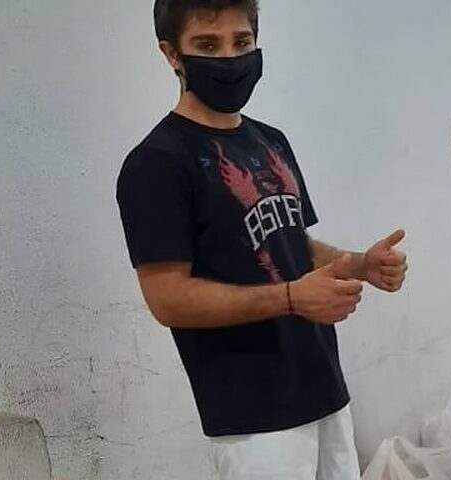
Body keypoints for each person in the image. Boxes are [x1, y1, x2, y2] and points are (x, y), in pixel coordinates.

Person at [115, 1, 408, 478]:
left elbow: (290, 243)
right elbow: (167, 298)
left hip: (323, 387)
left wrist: (359, 264)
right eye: (208, 45)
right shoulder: (156, 164)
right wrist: (291, 298)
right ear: (171, 54)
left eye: (241, 42)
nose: (230, 58)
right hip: (253, 416)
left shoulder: (271, 140)